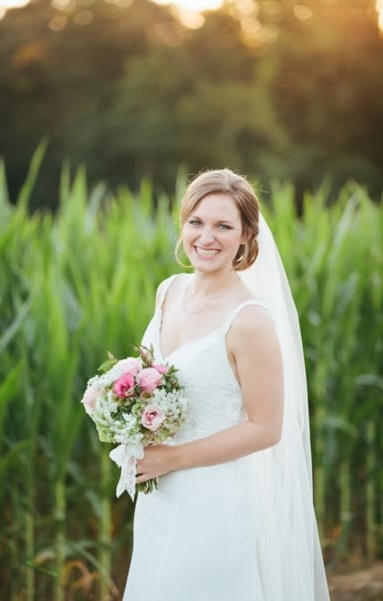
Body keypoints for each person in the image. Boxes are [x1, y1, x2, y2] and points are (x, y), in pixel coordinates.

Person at [122, 169, 329, 600]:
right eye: (196, 222)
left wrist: (173, 459)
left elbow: (265, 428)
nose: (206, 237)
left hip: (215, 499)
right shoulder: (169, 291)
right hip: (159, 493)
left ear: (246, 237)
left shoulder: (250, 320)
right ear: (183, 225)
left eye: (223, 226)